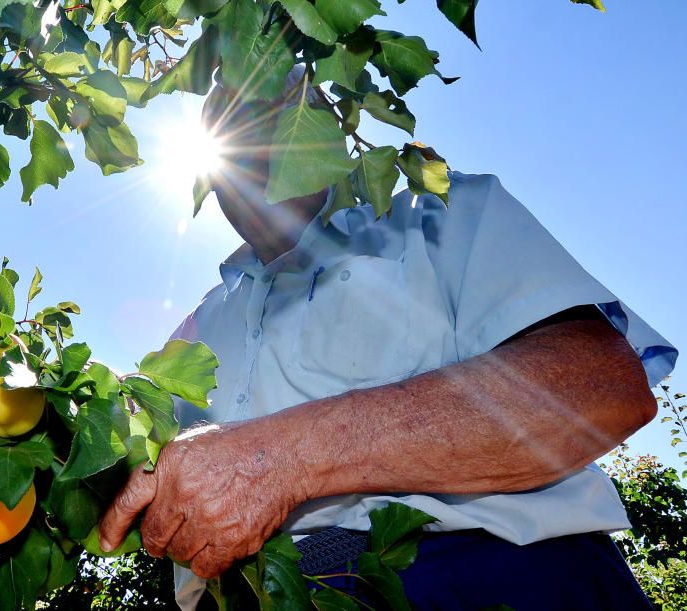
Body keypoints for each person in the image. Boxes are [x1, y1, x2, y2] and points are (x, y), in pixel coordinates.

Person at [97, 69, 679, 610]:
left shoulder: (440, 214)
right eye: (233, 126)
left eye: (284, 113)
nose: (257, 141)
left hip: (492, 582)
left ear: (327, 129)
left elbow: (598, 387)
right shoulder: (190, 335)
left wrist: (281, 459)